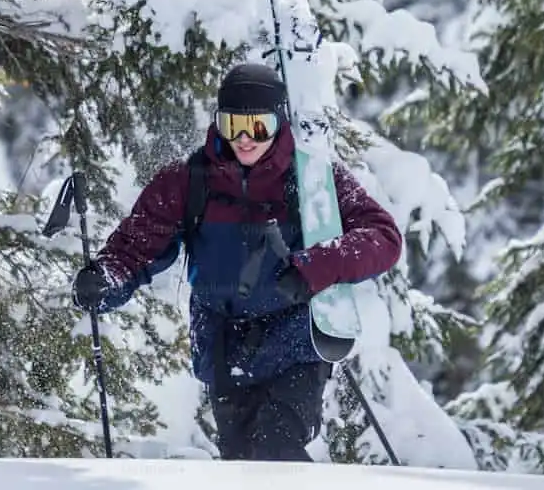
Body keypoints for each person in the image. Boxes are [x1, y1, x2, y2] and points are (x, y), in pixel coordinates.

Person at [70, 63, 403, 461]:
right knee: (240, 464)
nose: (244, 139)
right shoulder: (189, 181)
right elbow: (138, 245)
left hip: (296, 343)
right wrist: (105, 277)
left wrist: (313, 267)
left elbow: (383, 237)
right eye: (232, 126)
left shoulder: (313, 179)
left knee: (276, 449)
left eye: (258, 127)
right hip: (224, 348)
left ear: (279, 122)